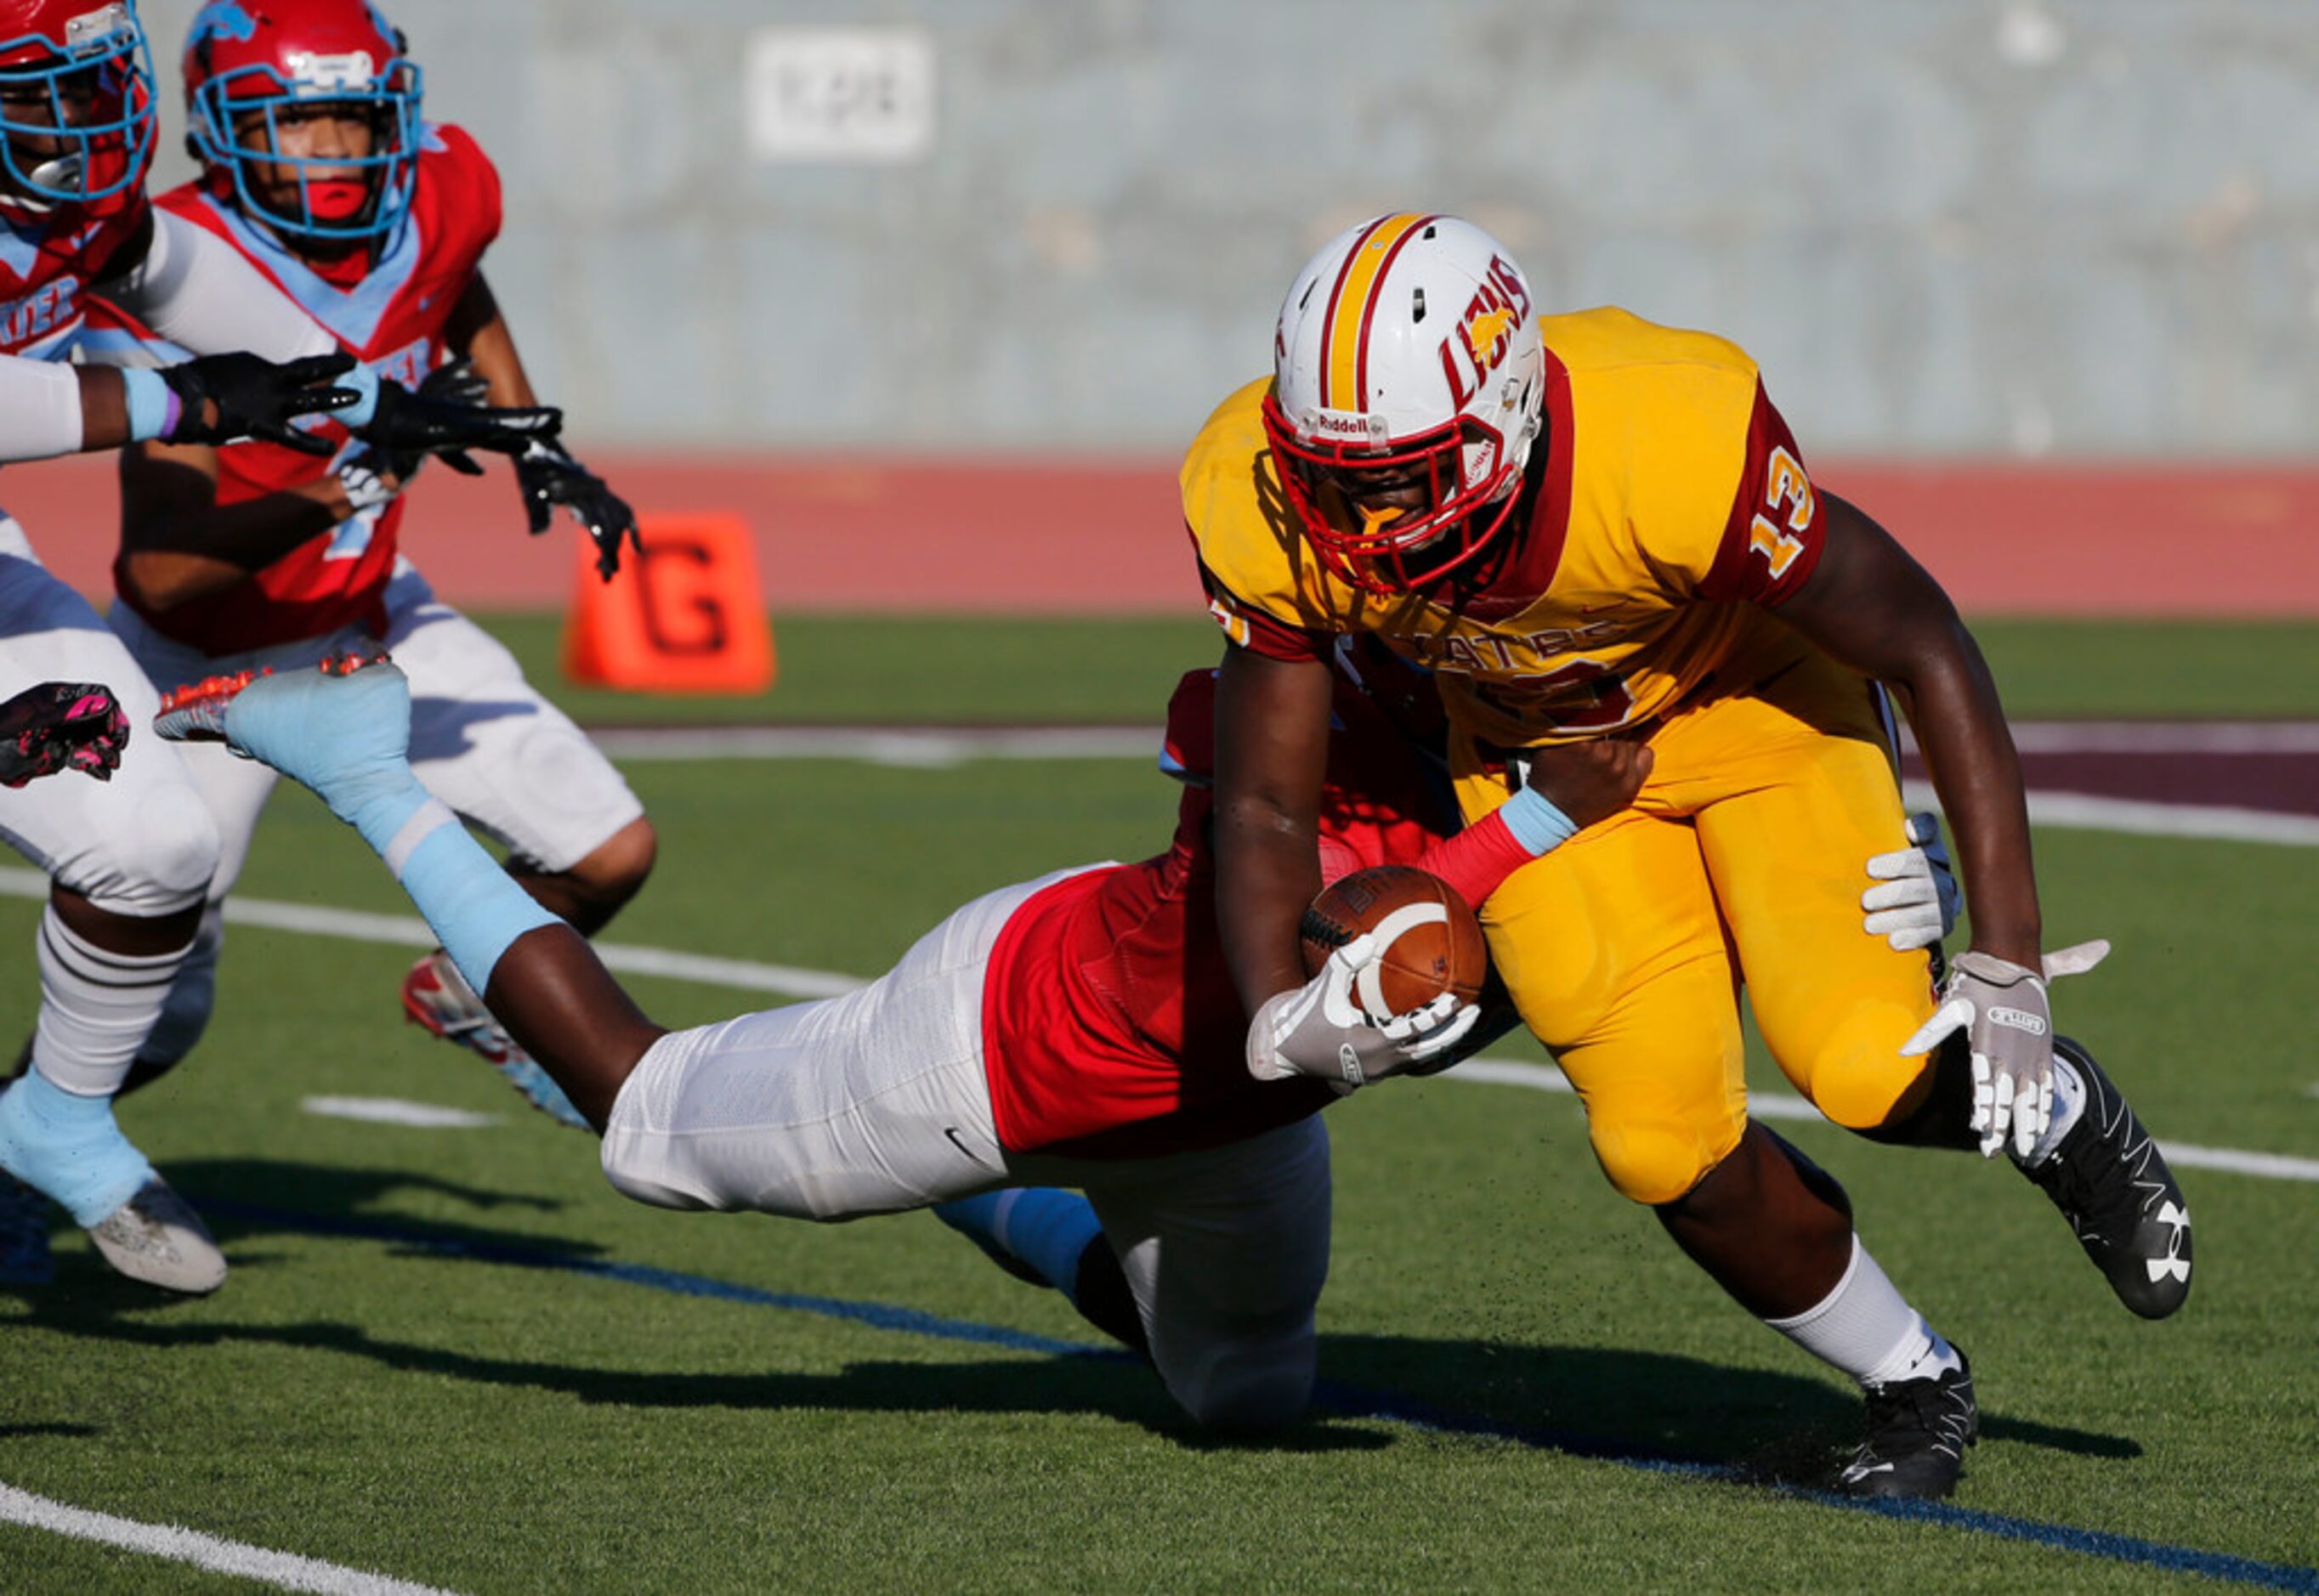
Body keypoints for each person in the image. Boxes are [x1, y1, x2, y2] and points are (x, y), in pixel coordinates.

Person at [1187, 213, 2191, 1497]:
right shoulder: (1261, 496)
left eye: (1399, 477)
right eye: (1330, 476)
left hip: (1760, 706)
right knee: (1659, 1142)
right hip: (1549, 770)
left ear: (1504, 421)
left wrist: (2007, 957)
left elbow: (1927, 640)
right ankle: (1913, 1385)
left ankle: (2059, 1111)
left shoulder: (1670, 440)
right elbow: (1264, 802)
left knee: (1864, 1062)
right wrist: (1281, 1010)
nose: (1355, 516)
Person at [156, 648, 1657, 1430]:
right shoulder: (1291, 728)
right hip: (1006, 1040)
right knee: (644, 1118)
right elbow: (1305, 1033)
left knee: (1246, 1401)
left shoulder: (1475, 758)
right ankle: (363, 767)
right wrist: (1532, 822)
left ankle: (1005, 1201)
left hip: (1208, 1128)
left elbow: (1462, 991)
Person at [0, 0, 558, 1293]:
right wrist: (179, 398)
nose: (82, 123)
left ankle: (52, 1115)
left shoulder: (69, 200)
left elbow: (162, 270)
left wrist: (353, 385)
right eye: (43, 91)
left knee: (156, 849)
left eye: (93, 86)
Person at [100, 0, 652, 1129]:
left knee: (608, 847)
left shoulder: (436, 196)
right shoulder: (168, 269)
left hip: (367, 613)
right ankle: (25, 1140)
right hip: (205, 664)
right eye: (298, 125)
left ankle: (471, 993)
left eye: (354, 122)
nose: (336, 155)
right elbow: (163, 575)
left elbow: (456, 281)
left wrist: (529, 431)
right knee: (151, 1015)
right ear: (217, 127)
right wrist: (356, 472)